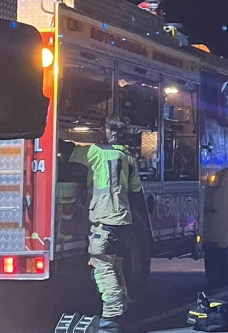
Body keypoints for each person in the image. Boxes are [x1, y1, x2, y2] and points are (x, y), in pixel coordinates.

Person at [69, 115, 143, 333]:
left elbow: (70, 154)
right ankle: (120, 312)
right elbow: (136, 190)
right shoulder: (129, 157)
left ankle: (111, 319)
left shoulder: (97, 152)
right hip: (123, 222)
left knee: (103, 267)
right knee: (115, 264)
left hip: (106, 221)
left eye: (104, 128)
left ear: (110, 131)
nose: (101, 131)